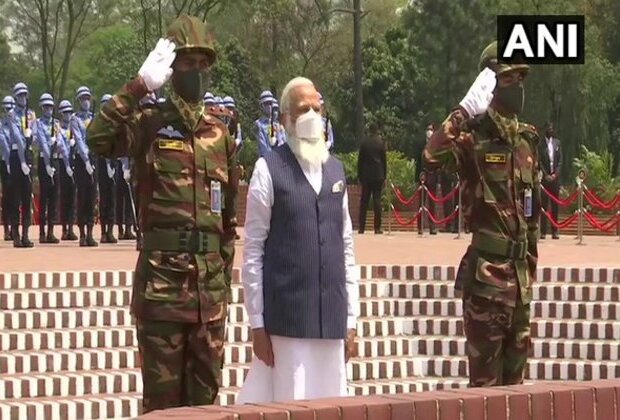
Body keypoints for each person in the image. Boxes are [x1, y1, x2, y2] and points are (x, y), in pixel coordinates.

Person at [87, 15, 238, 412]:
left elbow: (228, 223)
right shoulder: (149, 125)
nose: (198, 73)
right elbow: (97, 138)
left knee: (206, 405)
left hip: (210, 297)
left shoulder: (220, 134)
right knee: (164, 408)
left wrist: (221, 280)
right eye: (189, 64)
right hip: (162, 293)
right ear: (171, 71)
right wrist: (137, 88)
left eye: (204, 65)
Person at [424, 41, 540, 387]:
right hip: (487, 283)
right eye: (509, 78)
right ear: (488, 83)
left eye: (521, 78)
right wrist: (462, 111)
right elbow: (431, 156)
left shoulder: (527, 140)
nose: (518, 86)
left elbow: (531, 213)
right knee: (486, 393)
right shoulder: (471, 139)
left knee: (516, 392)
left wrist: (530, 268)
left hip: (520, 283)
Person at [238, 76, 358, 404]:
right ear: (285, 119)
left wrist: (351, 320)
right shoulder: (269, 169)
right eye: (303, 109)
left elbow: (346, 247)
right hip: (287, 321)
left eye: (317, 109)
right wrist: (257, 323)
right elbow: (253, 251)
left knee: (333, 406)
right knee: (289, 405)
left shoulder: (336, 172)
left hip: (331, 319)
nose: (311, 115)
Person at [8, 82, 36, 248]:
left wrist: (31, 135)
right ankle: (16, 235)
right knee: (15, 197)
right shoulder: (12, 114)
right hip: (16, 156)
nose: (23, 98)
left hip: (28, 154)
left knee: (27, 197)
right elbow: (17, 138)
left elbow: (37, 135)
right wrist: (23, 162)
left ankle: (26, 234)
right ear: (16, 97)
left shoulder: (31, 114)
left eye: (25, 95)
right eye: (20, 95)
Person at [33, 93, 62, 243]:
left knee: (54, 197)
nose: (48, 109)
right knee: (43, 197)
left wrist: (56, 142)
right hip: (44, 162)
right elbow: (39, 142)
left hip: (55, 161)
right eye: (46, 106)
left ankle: (51, 231)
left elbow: (62, 144)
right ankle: (42, 232)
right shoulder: (38, 123)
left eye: (50, 106)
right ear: (42, 107)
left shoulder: (56, 124)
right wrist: (47, 164)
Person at [72, 86, 98, 247]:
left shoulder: (94, 117)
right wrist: (86, 160)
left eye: (87, 98)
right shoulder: (76, 119)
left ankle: (90, 232)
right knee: (82, 196)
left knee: (92, 197)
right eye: (83, 99)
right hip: (82, 161)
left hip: (93, 158)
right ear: (79, 101)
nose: (86, 101)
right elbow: (80, 140)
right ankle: (82, 233)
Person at [357, 122, 386, 234]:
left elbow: (360, 161)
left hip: (366, 176)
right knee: (377, 201)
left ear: (369, 130)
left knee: (364, 201)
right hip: (378, 175)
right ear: (377, 130)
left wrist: (359, 176)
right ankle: (377, 228)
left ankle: (361, 227)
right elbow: (384, 161)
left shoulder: (364, 143)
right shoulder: (380, 143)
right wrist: (384, 176)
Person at [57, 100, 78, 241]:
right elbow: (61, 146)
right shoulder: (58, 128)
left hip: (74, 162)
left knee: (72, 196)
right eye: (65, 112)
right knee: (64, 196)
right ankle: (64, 228)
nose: (68, 114)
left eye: (70, 112)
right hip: (62, 164)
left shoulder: (74, 128)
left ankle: (71, 227)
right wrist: (66, 165)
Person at [539, 122, 562, 239]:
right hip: (544, 180)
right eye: (548, 128)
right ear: (545, 130)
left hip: (555, 180)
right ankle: (543, 231)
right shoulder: (540, 144)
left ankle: (554, 231)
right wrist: (545, 175)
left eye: (552, 128)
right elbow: (539, 162)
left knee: (555, 206)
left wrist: (555, 174)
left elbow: (560, 161)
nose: (550, 130)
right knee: (544, 206)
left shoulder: (557, 143)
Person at [420, 124, 438, 235]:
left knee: (432, 203)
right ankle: (420, 226)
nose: (429, 131)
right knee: (421, 203)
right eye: (428, 129)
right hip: (422, 176)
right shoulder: (420, 145)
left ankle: (432, 227)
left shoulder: (436, 145)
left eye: (431, 129)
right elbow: (418, 161)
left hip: (432, 176)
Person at [1, 96, 15, 241]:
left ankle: (15, 227)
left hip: (18, 161)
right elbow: (4, 144)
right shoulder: (1, 124)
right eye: (6, 107)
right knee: (7, 196)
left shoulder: (17, 121)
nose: (8, 109)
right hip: (5, 162)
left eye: (10, 106)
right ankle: (7, 228)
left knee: (16, 196)